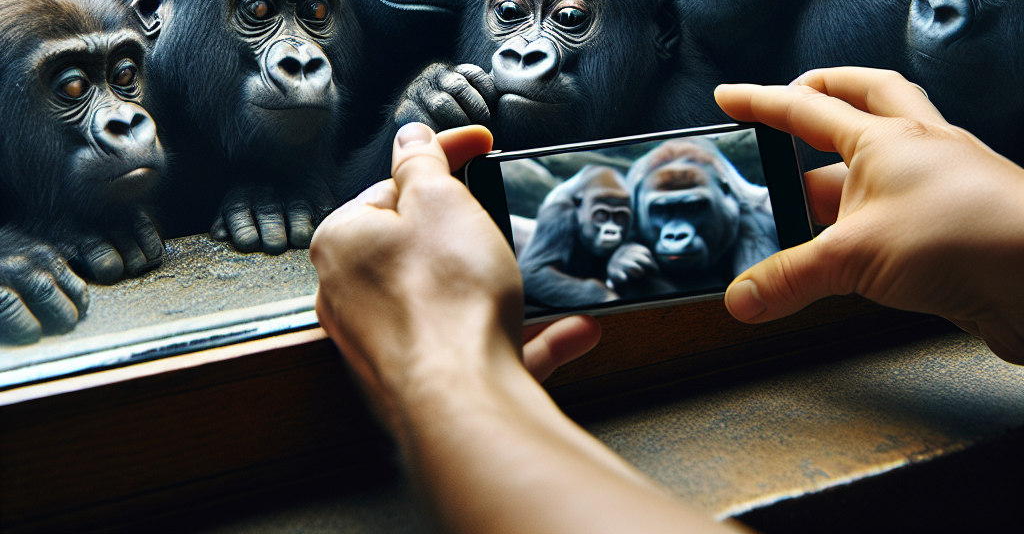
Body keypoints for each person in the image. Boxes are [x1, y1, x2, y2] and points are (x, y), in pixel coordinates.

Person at [310, 68, 1024, 534]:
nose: (673, 231)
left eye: (687, 209)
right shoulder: (590, 212)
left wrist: (445, 370)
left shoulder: (741, 211)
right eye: (664, 213)